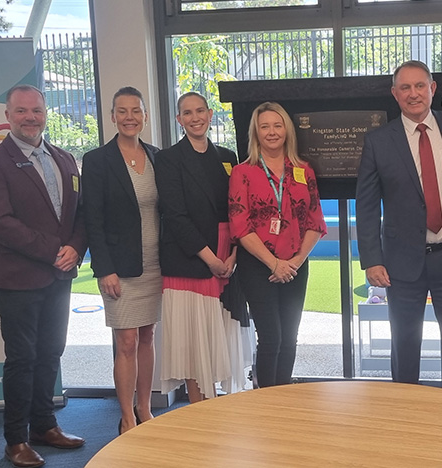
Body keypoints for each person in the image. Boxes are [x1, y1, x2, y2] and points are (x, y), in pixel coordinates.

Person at [0, 84, 86, 468]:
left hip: (59, 277)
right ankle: (15, 439)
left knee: (51, 352)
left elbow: (78, 214)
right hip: (18, 278)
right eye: (21, 111)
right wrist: (53, 251)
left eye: (36, 110)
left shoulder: (65, 159)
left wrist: (76, 246)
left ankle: (44, 426)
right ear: (7, 116)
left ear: (46, 113)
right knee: (22, 358)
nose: (30, 117)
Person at [356, 60, 442, 393]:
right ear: (395, 94)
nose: (414, 94)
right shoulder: (378, 141)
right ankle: (404, 411)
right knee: (405, 342)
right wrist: (371, 259)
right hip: (400, 262)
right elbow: (366, 205)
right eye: (406, 88)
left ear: (432, 89)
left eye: (420, 86)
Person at [157, 92, 250, 401]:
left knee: (219, 338)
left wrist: (234, 254)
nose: (195, 117)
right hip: (191, 260)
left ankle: (219, 410)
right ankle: (200, 411)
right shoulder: (168, 159)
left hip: (229, 257)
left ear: (210, 115)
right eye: (187, 112)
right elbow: (174, 215)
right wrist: (211, 259)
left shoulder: (227, 157)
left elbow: (238, 208)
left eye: (200, 111)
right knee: (194, 344)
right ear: (178, 119)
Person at [228, 101, 326, 388]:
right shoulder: (242, 173)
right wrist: (274, 264)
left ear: (287, 130)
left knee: (290, 337)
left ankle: (284, 398)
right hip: (259, 268)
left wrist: (293, 263)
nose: (272, 132)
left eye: (277, 125)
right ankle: (266, 402)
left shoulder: (303, 171)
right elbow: (240, 226)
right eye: (264, 126)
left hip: (295, 266)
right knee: (271, 337)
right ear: (256, 133)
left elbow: (315, 223)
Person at [81, 86, 160, 434]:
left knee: (147, 337)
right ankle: (126, 416)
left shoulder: (158, 156)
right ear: (113, 116)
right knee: (126, 341)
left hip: (155, 263)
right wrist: (104, 269)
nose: (130, 117)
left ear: (145, 116)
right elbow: (91, 219)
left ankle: (145, 409)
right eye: (122, 111)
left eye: (136, 111)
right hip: (119, 268)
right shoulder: (97, 160)